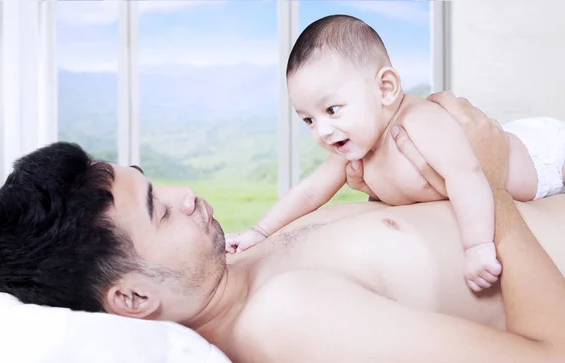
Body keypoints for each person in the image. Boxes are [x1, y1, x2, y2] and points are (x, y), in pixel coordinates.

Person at [0, 92, 565, 363]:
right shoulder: (290, 325)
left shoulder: (238, 264)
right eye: (158, 210)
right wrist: (486, 183)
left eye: (156, 182)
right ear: (131, 300)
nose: (185, 196)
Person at [226, 14, 565, 293]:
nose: (322, 131)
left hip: (544, 156)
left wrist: (477, 246)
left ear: (385, 88)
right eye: (308, 120)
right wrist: (260, 231)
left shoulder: (418, 122)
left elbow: (467, 175)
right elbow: (310, 191)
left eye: (333, 109)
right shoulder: (355, 148)